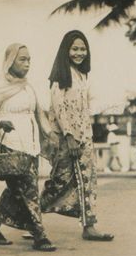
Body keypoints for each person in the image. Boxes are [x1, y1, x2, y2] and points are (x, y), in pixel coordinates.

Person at [37, 30, 113, 241]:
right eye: (75, 48)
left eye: (82, 48)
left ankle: (89, 227)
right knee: (59, 183)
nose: (79, 52)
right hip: (67, 140)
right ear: (66, 50)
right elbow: (58, 107)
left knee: (88, 181)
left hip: (84, 138)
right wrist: (69, 135)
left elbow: (85, 107)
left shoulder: (82, 75)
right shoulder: (61, 76)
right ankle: (31, 219)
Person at [0, 43, 58, 251]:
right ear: (10, 61)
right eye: (22, 59)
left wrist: (50, 133)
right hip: (10, 142)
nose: (27, 64)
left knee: (15, 190)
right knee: (28, 188)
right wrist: (0, 122)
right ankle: (39, 235)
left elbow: (38, 114)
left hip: (31, 144)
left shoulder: (28, 87)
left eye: (29, 60)